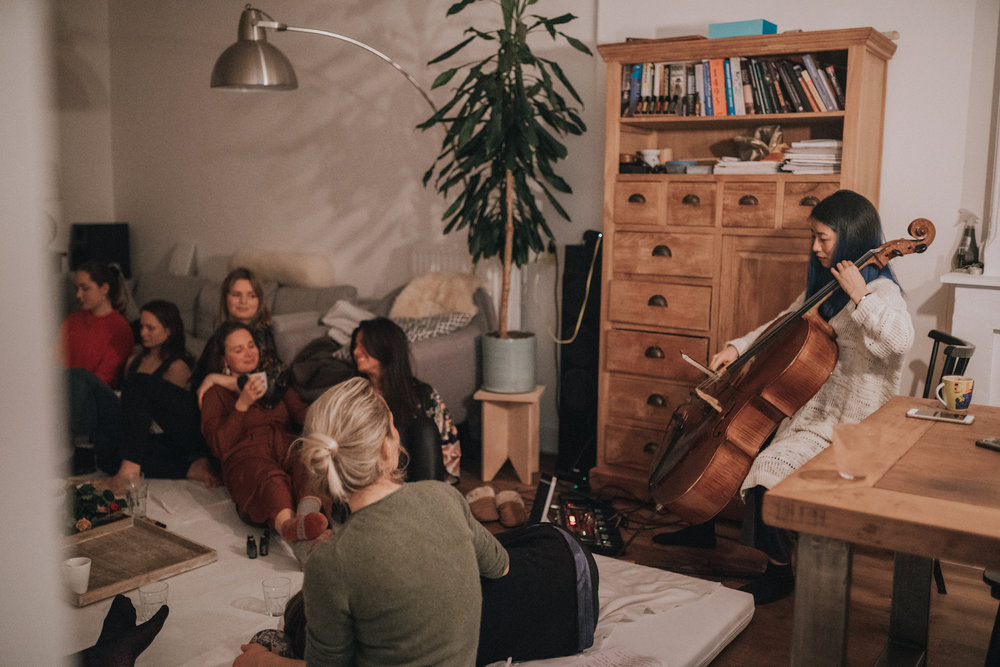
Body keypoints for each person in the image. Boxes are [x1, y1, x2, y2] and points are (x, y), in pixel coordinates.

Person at [653, 190, 914, 605]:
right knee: (725, 433)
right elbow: (783, 324)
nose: (815, 247)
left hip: (850, 423)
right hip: (809, 404)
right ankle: (701, 524)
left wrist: (860, 294)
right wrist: (737, 349)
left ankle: (780, 572)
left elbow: (899, 342)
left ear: (849, 238)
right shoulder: (827, 288)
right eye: (814, 236)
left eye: (823, 238)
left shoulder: (882, 293)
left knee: (767, 465)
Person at [200, 322, 328, 546]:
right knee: (269, 478)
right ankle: (291, 530)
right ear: (224, 359)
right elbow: (219, 445)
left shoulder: (273, 382)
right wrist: (242, 404)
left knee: (307, 461)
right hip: (245, 456)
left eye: (251, 346)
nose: (249, 353)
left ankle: (306, 521)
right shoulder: (215, 393)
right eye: (238, 350)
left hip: (284, 445)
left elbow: (302, 413)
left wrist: (332, 410)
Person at [98, 300, 220, 495]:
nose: (143, 333)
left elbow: (169, 418)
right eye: (142, 327)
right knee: (107, 454)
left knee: (138, 385)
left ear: (168, 330)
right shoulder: (134, 360)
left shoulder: (177, 366)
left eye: (150, 328)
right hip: (140, 428)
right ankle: (188, 470)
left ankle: (130, 474)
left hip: (172, 433)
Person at [350, 317, 461, 482]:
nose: (355, 352)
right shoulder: (354, 396)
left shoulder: (424, 394)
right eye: (355, 345)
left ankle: (431, 501)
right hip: (374, 480)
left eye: (363, 344)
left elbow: (449, 449)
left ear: (385, 346)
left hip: (423, 481)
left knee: (425, 428)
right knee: (395, 432)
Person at [61, 260, 134, 472]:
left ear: (104, 289)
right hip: (67, 389)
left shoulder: (119, 328)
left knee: (78, 377)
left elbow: (105, 377)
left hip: (99, 398)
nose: (78, 295)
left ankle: (83, 451)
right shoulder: (72, 320)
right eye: (77, 289)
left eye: (85, 288)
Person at [193, 267, 285, 405]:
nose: (243, 301)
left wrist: (216, 379)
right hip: (204, 404)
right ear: (225, 299)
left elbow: (270, 387)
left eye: (251, 295)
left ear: (259, 301)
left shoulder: (263, 335)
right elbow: (199, 381)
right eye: (236, 295)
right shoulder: (219, 334)